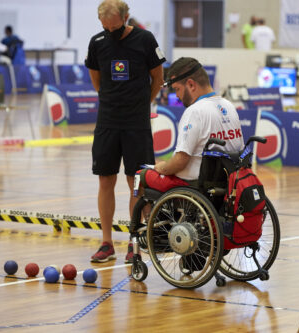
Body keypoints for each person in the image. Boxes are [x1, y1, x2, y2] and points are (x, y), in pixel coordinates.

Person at [85, 0, 166, 263]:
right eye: (105, 27)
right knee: (105, 180)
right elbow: (96, 79)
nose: (110, 31)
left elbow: (158, 78)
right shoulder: (97, 42)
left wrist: (143, 103)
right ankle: (106, 243)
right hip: (107, 122)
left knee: (136, 183)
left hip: (136, 123)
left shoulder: (145, 39)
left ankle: (135, 243)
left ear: (126, 17)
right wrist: (112, 101)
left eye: (115, 26)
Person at [137, 57, 244, 196]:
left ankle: (145, 218)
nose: (177, 96)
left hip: (195, 184)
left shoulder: (195, 112)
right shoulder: (229, 106)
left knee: (141, 175)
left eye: (177, 89)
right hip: (227, 183)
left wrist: (162, 167)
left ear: (191, 85)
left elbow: (180, 162)